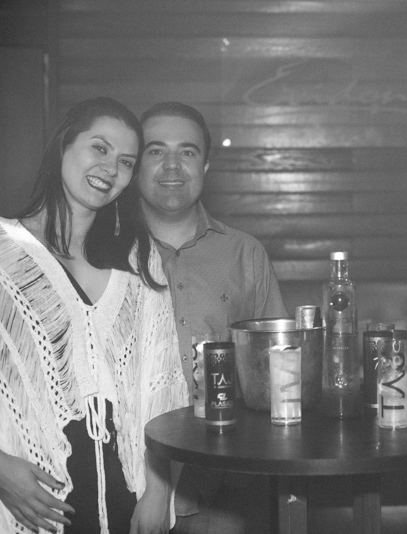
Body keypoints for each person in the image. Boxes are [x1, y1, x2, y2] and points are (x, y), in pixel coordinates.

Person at [0, 97, 188, 534]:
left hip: (128, 502)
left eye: (126, 162)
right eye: (99, 148)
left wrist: (158, 492)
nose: (110, 168)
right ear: (64, 144)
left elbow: (163, 388)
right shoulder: (5, 253)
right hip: (31, 503)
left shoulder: (138, 261)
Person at [136, 101, 287, 533]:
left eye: (187, 151)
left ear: (205, 165)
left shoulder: (245, 253)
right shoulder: (102, 253)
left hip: (224, 484)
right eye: (155, 150)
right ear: (135, 164)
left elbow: (279, 372)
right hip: (127, 476)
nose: (172, 165)